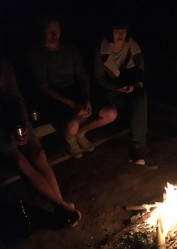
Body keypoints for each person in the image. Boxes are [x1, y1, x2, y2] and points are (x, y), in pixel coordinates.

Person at [0, 57, 81, 227]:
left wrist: (21, 122)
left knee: (39, 154)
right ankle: (63, 207)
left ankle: (61, 209)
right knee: (20, 161)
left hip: (12, 117)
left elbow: (15, 97)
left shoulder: (4, 66)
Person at [28, 18, 118, 158]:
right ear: (42, 31)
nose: (54, 34)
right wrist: (71, 104)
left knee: (110, 114)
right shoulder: (37, 54)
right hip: (56, 97)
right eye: (50, 30)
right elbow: (44, 87)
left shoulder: (70, 49)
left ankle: (81, 132)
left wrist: (86, 99)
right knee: (72, 124)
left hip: (75, 91)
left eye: (57, 30)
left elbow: (82, 76)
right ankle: (71, 139)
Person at [94, 19, 157, 169]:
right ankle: (140, 148)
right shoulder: (101, 49)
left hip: (130, 85)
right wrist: (117, 87)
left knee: (140, 97)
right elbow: (100, 78)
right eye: (117, 31)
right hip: (112, 91)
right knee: (137, 104)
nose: (121, 34)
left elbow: (139, 58)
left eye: (123, 31)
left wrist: (138, 79)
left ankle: (138, 147)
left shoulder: (130, 43)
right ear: (110, 31)